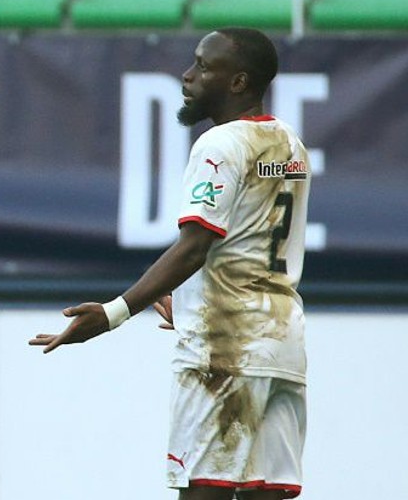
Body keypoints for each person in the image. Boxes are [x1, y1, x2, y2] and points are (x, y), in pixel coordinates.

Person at [30, 28, 310, 500]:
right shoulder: (290, 146)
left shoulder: (220, 146)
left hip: (224, 353)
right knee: (268, 494)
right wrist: (194, 299)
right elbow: (251, 246)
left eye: (204, 66)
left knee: (204, 491)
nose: (188, 75)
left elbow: (195, 245)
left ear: (238, 82)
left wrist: (114, 312)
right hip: (283, 349)